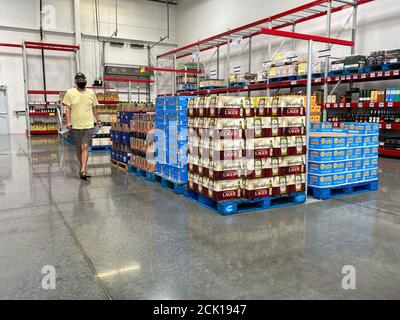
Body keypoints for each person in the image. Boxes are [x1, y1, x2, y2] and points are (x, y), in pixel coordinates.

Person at [63, 73, 102, 180]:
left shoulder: (91, 93)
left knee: (85, 146)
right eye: (79, 79)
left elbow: (94, 108)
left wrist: (98, 119)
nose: (81, 81)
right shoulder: (70, 93)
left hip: (88, 125)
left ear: (86, 80)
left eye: (83, 79)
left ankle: (83, 170)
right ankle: (82, 166)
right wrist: (68, 122)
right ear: (75, 81)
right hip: (75, 125)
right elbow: (68, 109)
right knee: (79, 147)